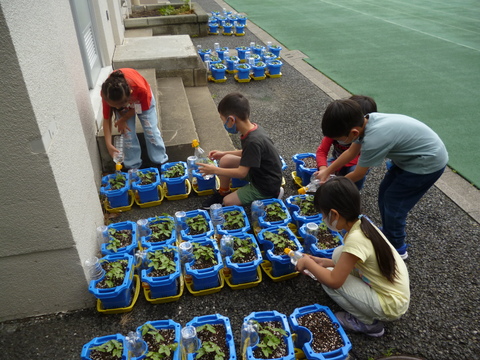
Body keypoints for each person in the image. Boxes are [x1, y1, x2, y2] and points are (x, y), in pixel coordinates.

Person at [317, 99, 448, 259]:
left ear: (353, 133)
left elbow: (358, 174)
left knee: (394, 203)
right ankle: (388, 231)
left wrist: (332, 187)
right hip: (410, 158)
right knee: (385, 191)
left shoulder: (374, 139)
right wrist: (328, 170)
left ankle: (398, 247)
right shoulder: (364, 121)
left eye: (339, 139)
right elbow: (351, 153)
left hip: (426, 162)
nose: (338, 142)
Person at [294, 176, 410, 337]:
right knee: (336, 255)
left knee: (328, 282)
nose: (322, 219)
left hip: (390, 304)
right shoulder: (363, 224)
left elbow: (334, 281)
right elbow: (351, 260)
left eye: (323, 214)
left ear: (334, 214)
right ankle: (367, 306)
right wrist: (322, 261)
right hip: (393, 291)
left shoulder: (356, 239)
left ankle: (368, 324)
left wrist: (307, 262)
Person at [198, 92, 283, 209]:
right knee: (226, 160)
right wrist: (224, 153)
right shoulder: (252, 130)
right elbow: (248, 153)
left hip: (265, 185)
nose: (224, 124)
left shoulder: (253, 140)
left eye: (223, 120)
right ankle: (223, 192)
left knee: (228, 202)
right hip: (259, 172)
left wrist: (215, 170)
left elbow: (241, 173)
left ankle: (271, 196)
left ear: (231, 120)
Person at [101, 68, 168, 171]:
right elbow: (107, 119)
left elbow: (138, 108)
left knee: (151, 132)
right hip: (126, 101)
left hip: (142, 102)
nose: (117, 108)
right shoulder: (107, 94)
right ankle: (133, 167)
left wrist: (123, 119)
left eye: (120, 105)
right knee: (127, 135)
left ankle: (160, 162)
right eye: (114, 106)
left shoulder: (140, 89)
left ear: (130, 94)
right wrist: (109, 145)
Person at [315, 95, 377, 190]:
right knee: (322, 169)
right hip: (338, 159)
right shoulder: (336, 130)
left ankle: (352, 191)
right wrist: (324, 169)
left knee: (354, 172)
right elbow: (322, 151)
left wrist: (336, 183)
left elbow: (359, 166)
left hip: (356, 164)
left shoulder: (369, 138)